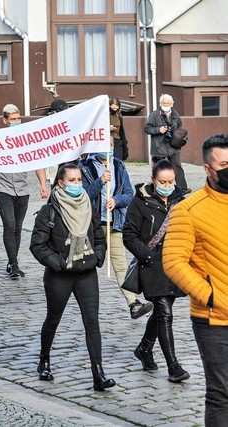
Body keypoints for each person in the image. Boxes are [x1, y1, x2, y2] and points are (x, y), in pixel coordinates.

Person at [29, 162, 113, 391]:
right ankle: (44, 359)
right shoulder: (50, 211)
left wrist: (97, 257)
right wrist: (59, 263)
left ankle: (98, 372)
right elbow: (37, 245)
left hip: (86, 272)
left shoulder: (89, 206)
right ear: (60, 183)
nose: (77, 185)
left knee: (92, 321)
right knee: (53, 318)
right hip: (60, 275)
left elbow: (99, 237)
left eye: (79, 180)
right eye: (72, 181)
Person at [163, 134, 228, 424]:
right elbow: (173, 262)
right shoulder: (188, 210)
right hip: (214, 320)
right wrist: (212, 296)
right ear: (207, 169)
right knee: (222, 394)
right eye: (224, 164)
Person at [122, 159, 189, 383]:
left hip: (175, 265)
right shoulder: (140, 202)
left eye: (171, 181)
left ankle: (144, 348)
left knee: (162, 312)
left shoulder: (181, 201)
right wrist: (147, 255)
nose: (167, 185)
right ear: (153, 180)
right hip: (151, 266)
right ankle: (173, 366)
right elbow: (129, 235)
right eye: (163, 181)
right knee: (165, 313)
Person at [80, 151, 153, 319]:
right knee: (87, 266)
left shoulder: (118, 165)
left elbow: (129, 194)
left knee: (121, 265)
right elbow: (84, 196)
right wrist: (100, 181)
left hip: (115, 223)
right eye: (105, 144)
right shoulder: (84, 167)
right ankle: (88, 308)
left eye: (111, 144)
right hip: (93, 226)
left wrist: (116, 200)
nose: (108, 148)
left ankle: (133, 304)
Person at [0, 104, 49, 278]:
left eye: (18, 118)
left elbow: (37, 163)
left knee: (18, 228)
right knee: (9, 225)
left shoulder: (27, 140)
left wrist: (43, 184)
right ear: (5, 121)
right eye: (12, 119)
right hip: (3, 189)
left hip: (22, 189)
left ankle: (13, 260)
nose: (16, 121)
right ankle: (13, 264)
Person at [144, 94, 188, 194]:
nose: (166, 105)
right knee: (158, 169)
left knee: (177, 167)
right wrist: (158, 130)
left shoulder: (175, 114)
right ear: (160, 103)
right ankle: (155, 188)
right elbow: (147, 129)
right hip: (159, 147)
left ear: (172, 104)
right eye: (164, 103)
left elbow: (180, 126)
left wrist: (177, 133)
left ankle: (182, 189)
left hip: (173, 146)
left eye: (168, 103)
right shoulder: (154, 114)